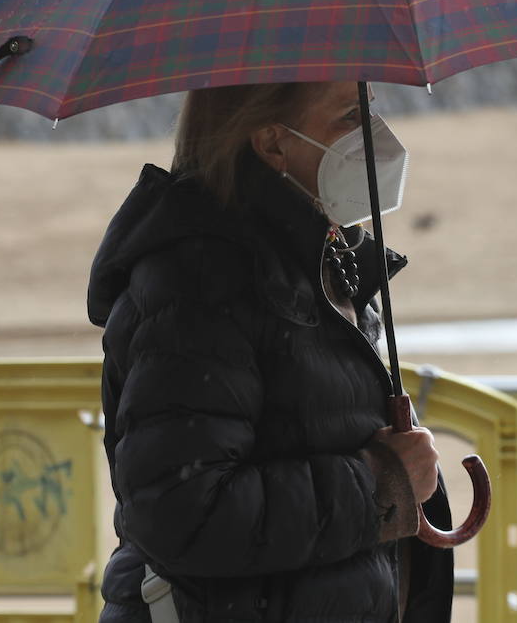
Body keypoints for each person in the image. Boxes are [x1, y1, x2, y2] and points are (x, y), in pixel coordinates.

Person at [88, 81, 454, 622]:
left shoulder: (316, 265)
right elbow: (184, 512)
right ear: (272, 143)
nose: (378, 139)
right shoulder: (197, 286)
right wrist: (380, 482)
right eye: (350, 117)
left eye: (370, 112)